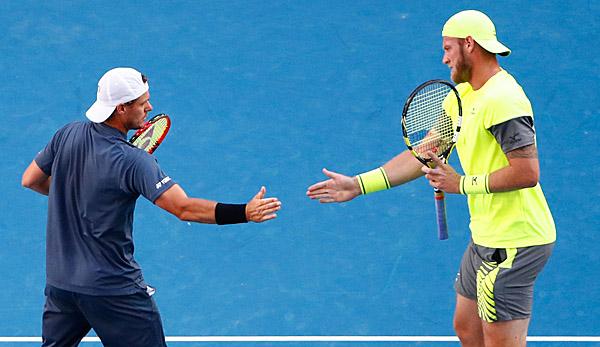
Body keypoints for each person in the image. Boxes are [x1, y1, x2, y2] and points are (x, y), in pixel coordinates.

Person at [306, 10, 555, 347]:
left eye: (448, 48)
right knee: (467, 327)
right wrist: (358, 184)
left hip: (514, 241)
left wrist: (461, 184)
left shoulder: (503, 99)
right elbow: (423, 152)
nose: (444, 58)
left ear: (469, 44)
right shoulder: (463, 95)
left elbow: (527, 172)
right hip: (486, 234)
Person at [21, 67, 282, 347]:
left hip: (62, 285)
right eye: (143, 102)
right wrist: (244, 212)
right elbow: (184, 208)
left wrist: (80, 196)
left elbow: (30, 179)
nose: (150, 107)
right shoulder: (134, 161)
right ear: (121, 108)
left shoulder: (67, 134)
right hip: (113, 290)